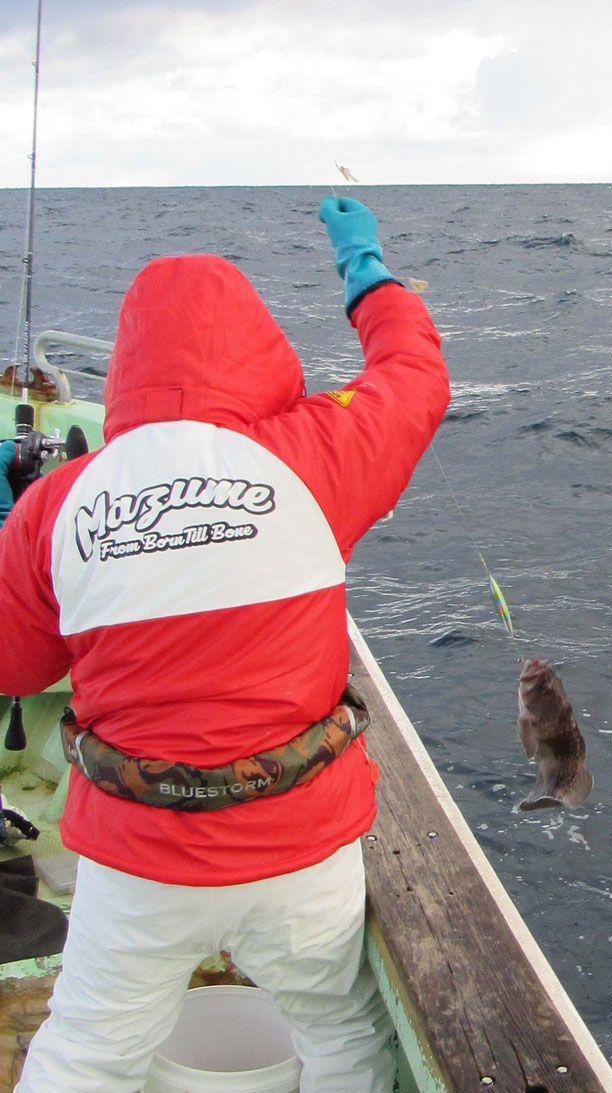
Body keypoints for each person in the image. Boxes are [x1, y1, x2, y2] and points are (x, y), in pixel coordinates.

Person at [0, 195, 450, 1093]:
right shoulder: (317, 453)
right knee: (338, 1033)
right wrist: (367, 272)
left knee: (87, 1048)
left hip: (136, 860)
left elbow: (19, 667)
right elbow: (416, 376)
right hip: (302, 847)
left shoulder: (57, 503)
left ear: (126, 366)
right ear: (256, 348)